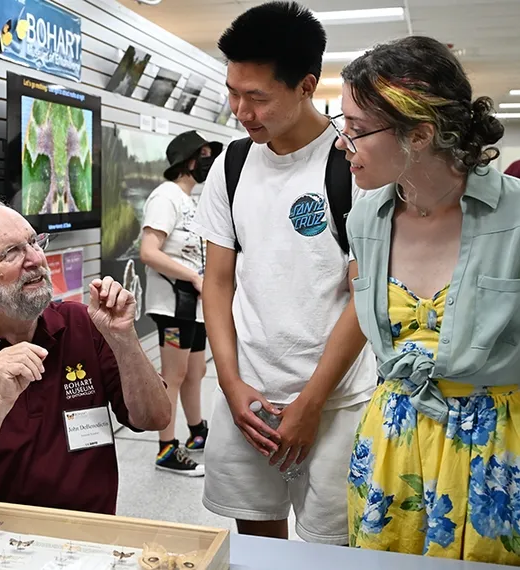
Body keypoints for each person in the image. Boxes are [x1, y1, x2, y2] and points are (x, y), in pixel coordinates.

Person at [190, 2, 376, 543]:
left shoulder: (353, 165)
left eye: (258, 97)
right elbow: (219, 281)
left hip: (338, 401)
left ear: (305, 85)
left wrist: (313, 401)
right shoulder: (232, 165)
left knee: (331, 546)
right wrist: (229, 383)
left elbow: (365, 293)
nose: (241, 111)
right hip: (248, 395)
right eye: (233, 92)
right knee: (256, 541)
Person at [338, 36, 520, 563]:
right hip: (392, 441)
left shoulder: (513, 217)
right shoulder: (365, 221)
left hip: (495, 451)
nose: (340, 144)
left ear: (419, 134)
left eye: (355, 130)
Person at [0, 201, 171, 514]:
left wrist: (124, 338)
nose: (35, 259)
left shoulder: (84, 324)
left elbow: (154, 419)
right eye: (10, 252)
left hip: (87, 536)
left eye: (33, 242)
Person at [140, 130, 222, 476]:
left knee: (196, 370)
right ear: (188, 161)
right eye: (203, 155)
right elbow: (148, 252)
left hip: (194, 305)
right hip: (173, 306)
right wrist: (192, 277)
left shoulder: (189, 199)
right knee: (172, 374)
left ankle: (197, 431)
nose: (208, 161)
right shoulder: (166, 197)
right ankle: (166, 448)